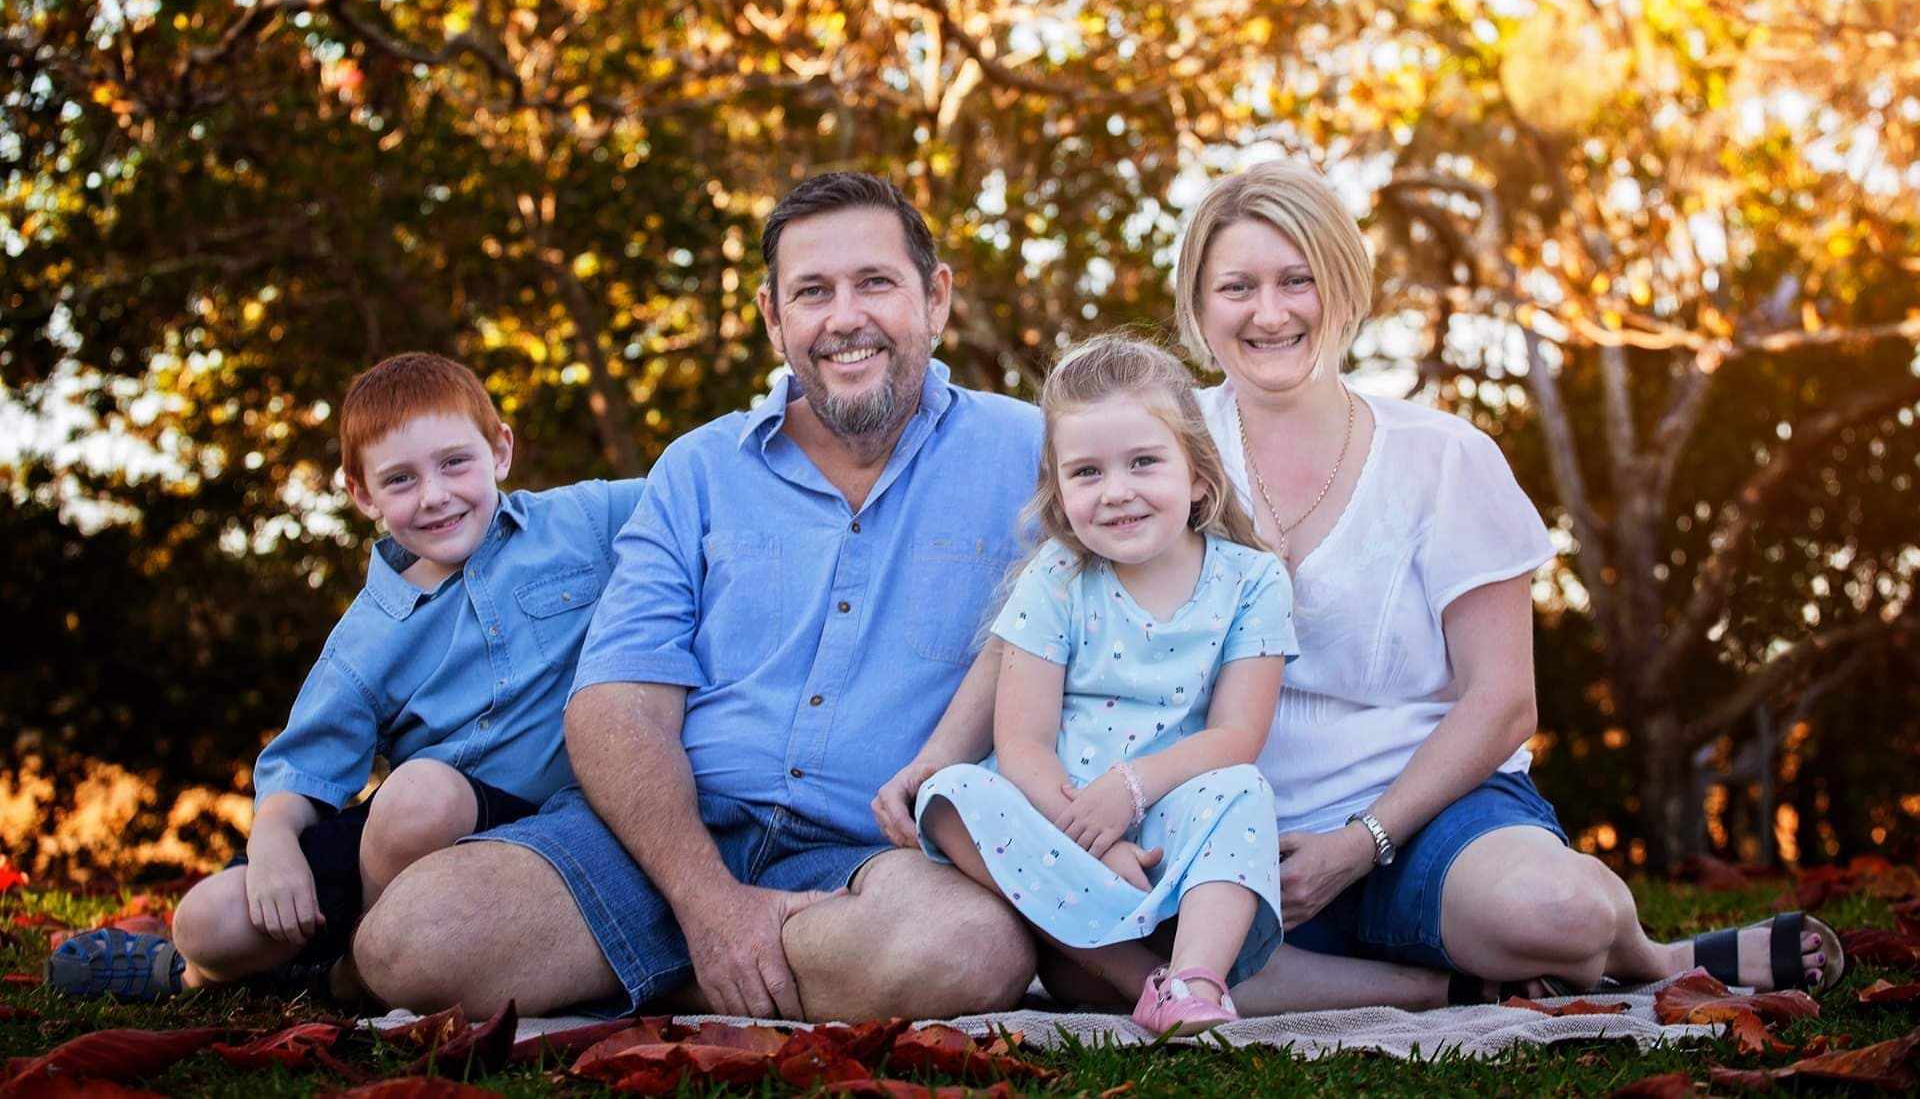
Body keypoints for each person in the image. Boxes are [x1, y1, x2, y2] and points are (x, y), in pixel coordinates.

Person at [351, 171, 1044, 1021]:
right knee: (409, 936)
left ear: (934, 298)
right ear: (772, 317)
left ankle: (653, 971)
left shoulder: (1035, 456)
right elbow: (615, 707)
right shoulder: (698, 469)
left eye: (876, 283)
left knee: (971, 950)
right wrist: (706, 898)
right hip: (661, 842)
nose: (845, 317)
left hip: (871, 860)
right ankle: (735, 958)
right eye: (812, 292)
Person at [1170, 159, 1844, 1011]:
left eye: (1296, 279)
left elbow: (1503, 702)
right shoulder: (1163, 454)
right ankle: (1439, 983)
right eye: (1237, 286)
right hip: (1226, 832)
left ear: (1340, 285)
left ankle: (1653, 955)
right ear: (1198, 306)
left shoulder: (1444, 457)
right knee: (1095, 943)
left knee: (1560, 910)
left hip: (1421, 820)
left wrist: (1358, 842)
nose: (1270, 312)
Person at [46, 353, 644, 1002]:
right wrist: (273, 839)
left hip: (531, 824)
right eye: (400, 479)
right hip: (399, 850)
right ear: (362, 493)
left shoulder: (583, 521)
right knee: (206, 920)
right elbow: (306, 763)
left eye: (454, 462)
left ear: (500, 449)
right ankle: (186, 974)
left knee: (421, 793)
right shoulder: (366, 637)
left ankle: (347, 980)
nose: (434, 495)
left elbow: (701, 492)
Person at [917, 333, 1295, 1036]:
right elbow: (1022, 742)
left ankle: (1196, 975)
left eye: (1144, 462)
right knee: (951, 796)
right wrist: (1090, 835)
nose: (1116, 491)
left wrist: (1131, 790)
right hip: (1058, 814)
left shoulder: (1250, 580)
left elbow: (1237, 736)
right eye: (1086, 472)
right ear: (1059, 490)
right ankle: (1145, 983)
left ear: (1199, 476)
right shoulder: (1058, 578)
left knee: (1244, 790)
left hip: (1173, 806)